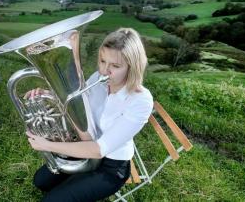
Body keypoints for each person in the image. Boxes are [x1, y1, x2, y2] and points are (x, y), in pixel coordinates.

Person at [24, 27, 153, 202]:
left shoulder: (141, 100)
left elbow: (99, 150)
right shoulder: (97, 80)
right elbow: (75, 102)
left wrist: (47, 145)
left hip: (110, 167)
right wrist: (48, 94)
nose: (104, 71)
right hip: (84, 147)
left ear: (132, 67)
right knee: (41, 182)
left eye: (115, 66)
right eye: (102, 61)